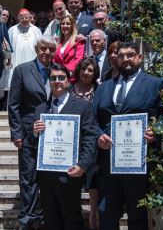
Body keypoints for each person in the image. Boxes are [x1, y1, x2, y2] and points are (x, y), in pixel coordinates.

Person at [93, 41, 163, 229]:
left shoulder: (155, 83)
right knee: (106, 215)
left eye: (131, 55)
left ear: (139, 58)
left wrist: (156, 132)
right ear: (115, 59)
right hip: (108, 164)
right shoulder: (103, 88)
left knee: (137, 217)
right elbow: (92, 121)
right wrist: (99, 136)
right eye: (122, 56)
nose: (126, 59)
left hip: (139, 164)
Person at [30, 63, 97, 230]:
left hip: (70, 176)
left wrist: (83, 165)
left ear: (68, 81)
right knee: (51, 222)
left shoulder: (83, 107)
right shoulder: (40, 109)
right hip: (46, 177)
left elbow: (90, 139)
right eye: (53, 78)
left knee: (72, 221)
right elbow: (31, 145)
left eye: (61, 78)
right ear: (49, 81)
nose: (57, 81)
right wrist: (34, 133)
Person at [8, 35, 57, 229]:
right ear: (37, 49)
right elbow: (13, 105)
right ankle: (28, 216)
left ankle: (45, 214)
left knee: (47, 177)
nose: (47, 53)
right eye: (43, 49)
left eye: (51, 49)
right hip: (29, 134)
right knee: (28, 177)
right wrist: (17, 133)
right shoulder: (22, 70)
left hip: (54, 135)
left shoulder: (59, 71)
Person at [70, 58, 100, 230]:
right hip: (72, 145)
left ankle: (93, 219)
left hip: (94, 144)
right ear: (78, 71)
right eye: (83, 69)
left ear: (94, 73)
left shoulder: (99, 90)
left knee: (94, 185)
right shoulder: (69, 90)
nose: (86, 72)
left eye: (90, 70)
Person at [4, 9, 42, 95]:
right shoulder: (12, 30)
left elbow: (40, 47)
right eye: (22, 17)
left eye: (26, 17)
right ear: (18, 18)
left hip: (32, 62)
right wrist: (7, 58)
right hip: (15, 62)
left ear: (30, 18)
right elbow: (6, 46)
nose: (24, 19)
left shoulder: (36, 30)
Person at [53, 14, 85, 83]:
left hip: (72, 79)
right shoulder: (58, 43)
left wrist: (65, 73)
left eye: (68, 24)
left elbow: (78, 61)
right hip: (58, 79)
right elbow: (55, 61)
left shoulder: (78, 41)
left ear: (72, 26)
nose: (65, 26)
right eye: (63, 24)